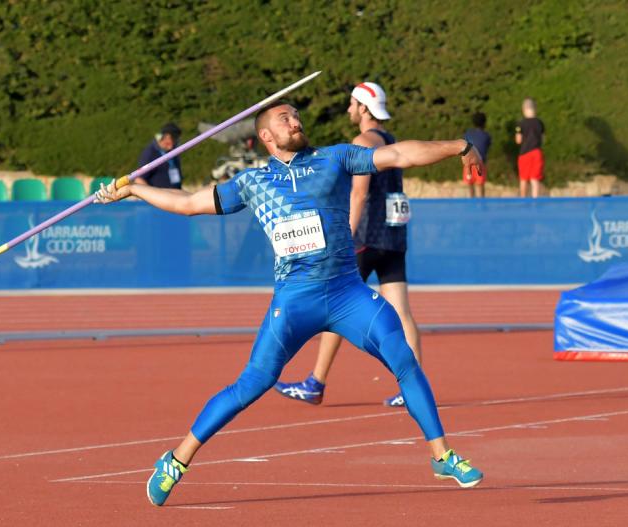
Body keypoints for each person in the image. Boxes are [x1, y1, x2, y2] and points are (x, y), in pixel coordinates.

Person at [96, 101, 486, 507]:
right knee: (252, 384)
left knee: (403, 359)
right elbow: (189, 203)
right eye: (285, 118)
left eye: (296, 115)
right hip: (296, 302)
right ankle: (176, 459)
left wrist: (459, 145)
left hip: (347, 293)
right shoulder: (252, 181)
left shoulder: (335, 158)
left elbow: (400, 154)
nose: (295, 121)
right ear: (266, 135)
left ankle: (442, 456)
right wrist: (135, 189)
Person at [272, 82, 418, 408]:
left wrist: (345, 235)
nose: (349, 109)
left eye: (353, 104)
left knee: (335, 306)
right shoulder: (390, 139)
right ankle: (414, 386)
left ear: (363, 107)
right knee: (402, 312)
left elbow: (359, 193)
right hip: (393, 236)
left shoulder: (362, 142)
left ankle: (315, 382)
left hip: (365, 237)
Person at [137, 122, 184, 188]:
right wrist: (153, 193)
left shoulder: (173, 152)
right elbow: (139, 179)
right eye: (175, 139)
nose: (176, 143)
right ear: (166, 137)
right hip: (158, 194)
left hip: (175, 193)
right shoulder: (150, 153)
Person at [515, 98, 545, 198]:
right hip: (537, 152)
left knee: (523, 179)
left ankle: (523, 200)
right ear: (535, 108)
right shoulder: (540, 123)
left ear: (523, 109)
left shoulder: (521, 123)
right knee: (535, 179)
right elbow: (543, 138)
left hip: (525, 153)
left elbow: (518, 140)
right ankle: (535, 202)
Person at [463, 112, 492, 198]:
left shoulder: (468, 134)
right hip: (480, 163)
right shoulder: (486, 136)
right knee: (480, 185)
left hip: (468, 163)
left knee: (470, 185)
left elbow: (465, 146)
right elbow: (487, 146)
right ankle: (481, 203)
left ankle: (472, 202)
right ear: (484, 123)